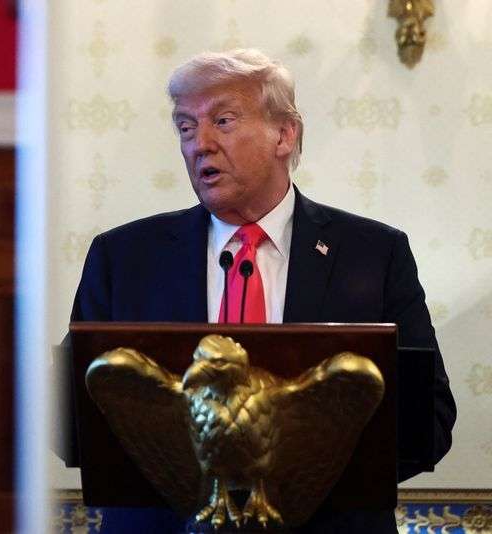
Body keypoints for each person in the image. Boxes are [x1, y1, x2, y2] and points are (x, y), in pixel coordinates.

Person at [68, 49, 456, 533]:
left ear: (284, 133)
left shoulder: (374, 254)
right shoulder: (123, 257)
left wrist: (297, 482)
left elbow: (431, 423)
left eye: (223, 121)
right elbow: (71, 422)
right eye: (186, 127)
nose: (200, 144)